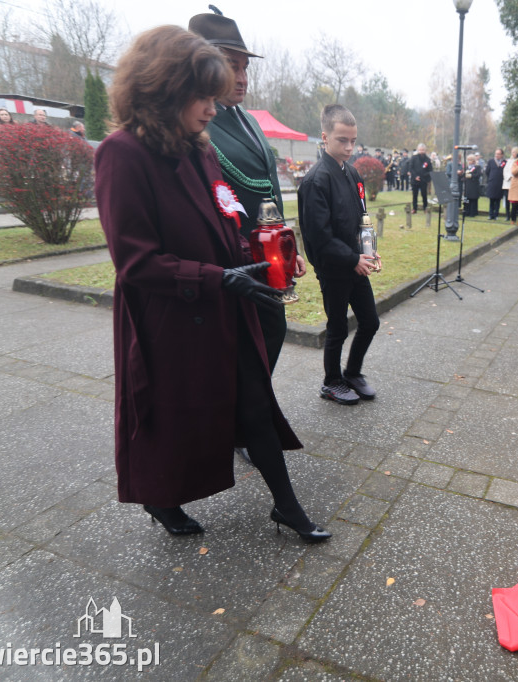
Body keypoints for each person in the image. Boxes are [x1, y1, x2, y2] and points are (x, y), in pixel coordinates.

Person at [94, 25, 328, 543]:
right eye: (201, 96)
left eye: (213, 96)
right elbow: (135, 262)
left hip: (224, 303)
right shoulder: (122, 154)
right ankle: (160, 497)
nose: (212, 108)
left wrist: (268, 257)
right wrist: (219, 277)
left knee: (254, 403)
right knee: (172, 414)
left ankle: (287, 507)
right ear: (163, 91)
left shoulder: (199, 149)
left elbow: (226, 219)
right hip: (169, 318)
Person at [189, 10, 307, 380]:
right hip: (233, 257)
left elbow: (270, 188)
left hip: (267, 254)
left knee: (271, 331)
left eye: (244, 68)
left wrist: (289, 247)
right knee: (244, 341)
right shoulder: (198, 123)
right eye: (231, 67)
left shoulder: (249, 120)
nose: (241, 78)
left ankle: (251, 414)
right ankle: (242, 422)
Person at [298, 104, 381, 406]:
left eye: (353, 141)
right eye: (342, 140)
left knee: (370, 321)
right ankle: (331, 382)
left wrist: (370, 252)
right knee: (337, 327)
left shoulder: (353, 173)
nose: (349, 147)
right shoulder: (316, 180)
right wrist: (352, 259)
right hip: (335, 268)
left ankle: (353, 373)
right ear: (324, 137)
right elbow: (319, 238)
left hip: (356, 264)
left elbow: (362, 218)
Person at [485, 148, 506, 220]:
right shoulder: (491, 161)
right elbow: (487, 171)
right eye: (496, 154)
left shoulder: (504, 162)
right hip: (492, 183)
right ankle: (491, 214)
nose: (497, 155)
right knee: (492, 200)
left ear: (502, 155)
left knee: (498, 200)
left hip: (500, 183)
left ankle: (496, 214)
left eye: (498, 154)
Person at [410, 143, 431, 213]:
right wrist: (415, 176)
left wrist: (425, 177)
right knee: (414, 195)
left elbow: (430, 170)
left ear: (425, 150)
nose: (421, 152)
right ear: (418, 150)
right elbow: (411, 168)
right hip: (415, 180)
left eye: (423, 150)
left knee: (424, 194)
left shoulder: (428, 160)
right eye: (420, 150)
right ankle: (414, 208)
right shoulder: (413, 158)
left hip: (423, 180)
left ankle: (425, 208)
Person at [460, 153, 481, 217]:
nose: (469, 162)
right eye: (468, 160)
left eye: (470, 160)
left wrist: (471, 176)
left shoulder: (477, 167)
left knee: (473, 200)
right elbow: (463, 175)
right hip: (467, 186)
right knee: (467, 200)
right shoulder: (467, 168)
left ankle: (473, 212)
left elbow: (478, 175)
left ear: (473, 160)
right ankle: (466, 211)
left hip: (474, 186)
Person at [502, 146, 517, 220]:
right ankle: (507, 215)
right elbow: (505, 170)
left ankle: (513, 214)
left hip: (514, 183)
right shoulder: (509, 161)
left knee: (514, 201)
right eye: (512, 152)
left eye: (515, 152)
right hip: (507, 183)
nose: (513, 153)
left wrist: (513, 177)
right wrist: (509, 177)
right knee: (507, 200)